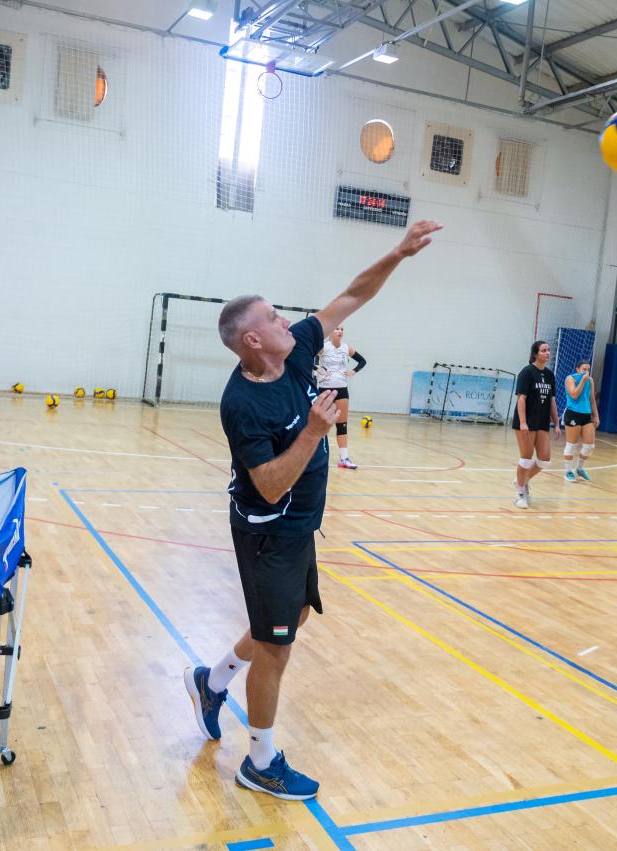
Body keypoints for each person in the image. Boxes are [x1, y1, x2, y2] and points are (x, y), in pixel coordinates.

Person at [183, 220, 443, 801]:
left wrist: (398, 253)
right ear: (253, 340)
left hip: (300, 526)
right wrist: (314, 432)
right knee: (276, 647)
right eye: (273, 318)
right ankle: (260, 761)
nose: (286, 321)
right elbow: (271, 486)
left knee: (293, 616)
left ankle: (212, 680)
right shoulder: (243, 402)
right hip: (268, 533)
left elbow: (352, 294)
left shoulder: (298, 347)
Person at [511, 340, 558, 508]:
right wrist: (523, 422)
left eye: (548, 350)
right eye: (543, 350)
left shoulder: (550, 375)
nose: (547, 353)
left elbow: (552, 400)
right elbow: (521, 399)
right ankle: (520, 494)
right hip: (527, 422)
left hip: (542, 422)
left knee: (544, 459)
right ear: (535, 354)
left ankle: (521, 480)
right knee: (526, 458)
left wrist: (556, 423)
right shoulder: (527, 372)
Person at [316, 325, 367, 469]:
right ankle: (315, 457)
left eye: (342, 329)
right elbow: (305, 358)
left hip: (342, 389)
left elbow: (362, 361)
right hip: (325, 389)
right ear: (331, 332)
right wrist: (316, 368)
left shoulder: (347, 348)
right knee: (321, 424)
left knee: (342, 424)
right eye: (337, 329)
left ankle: (344, 459)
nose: (340, 331)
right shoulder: (323, 347)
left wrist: (353, 371)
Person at [562, 359, 600, 482]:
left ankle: (579, 468)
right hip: (573, 413)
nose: (586, 372)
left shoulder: (590, 380)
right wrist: (583, 381)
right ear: (577, 369)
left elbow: (592, 400)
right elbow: (574, 395)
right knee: (571, 445)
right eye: (584, 369)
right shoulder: (570, 379)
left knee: (590, 446)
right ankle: (568, 471)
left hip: (586, 415)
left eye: (588, 369)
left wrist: (596, 416)